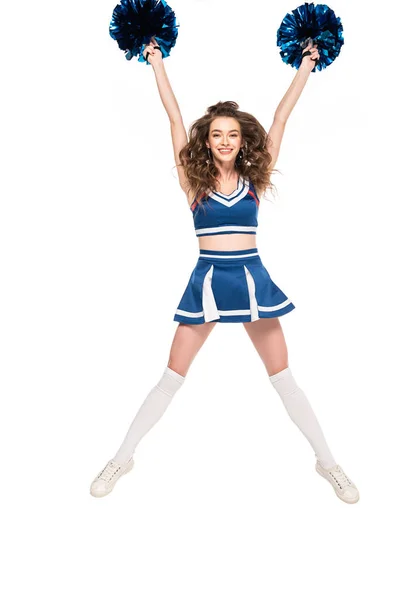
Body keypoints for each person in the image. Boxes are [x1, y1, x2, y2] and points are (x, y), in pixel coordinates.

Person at [90, 38, 359, 503]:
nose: (226, 141)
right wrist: (156, 63)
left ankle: (328, 464)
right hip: (209, 282)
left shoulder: (255, 180)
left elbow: (280, 118)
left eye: (233, 135)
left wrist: (307, 65)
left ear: (241, 140)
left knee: (284, 379)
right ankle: (122, 458)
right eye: (217, 135)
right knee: (171, 377)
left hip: (252, 282)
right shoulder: (192, 182)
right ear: (207, 140)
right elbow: (174, 118)